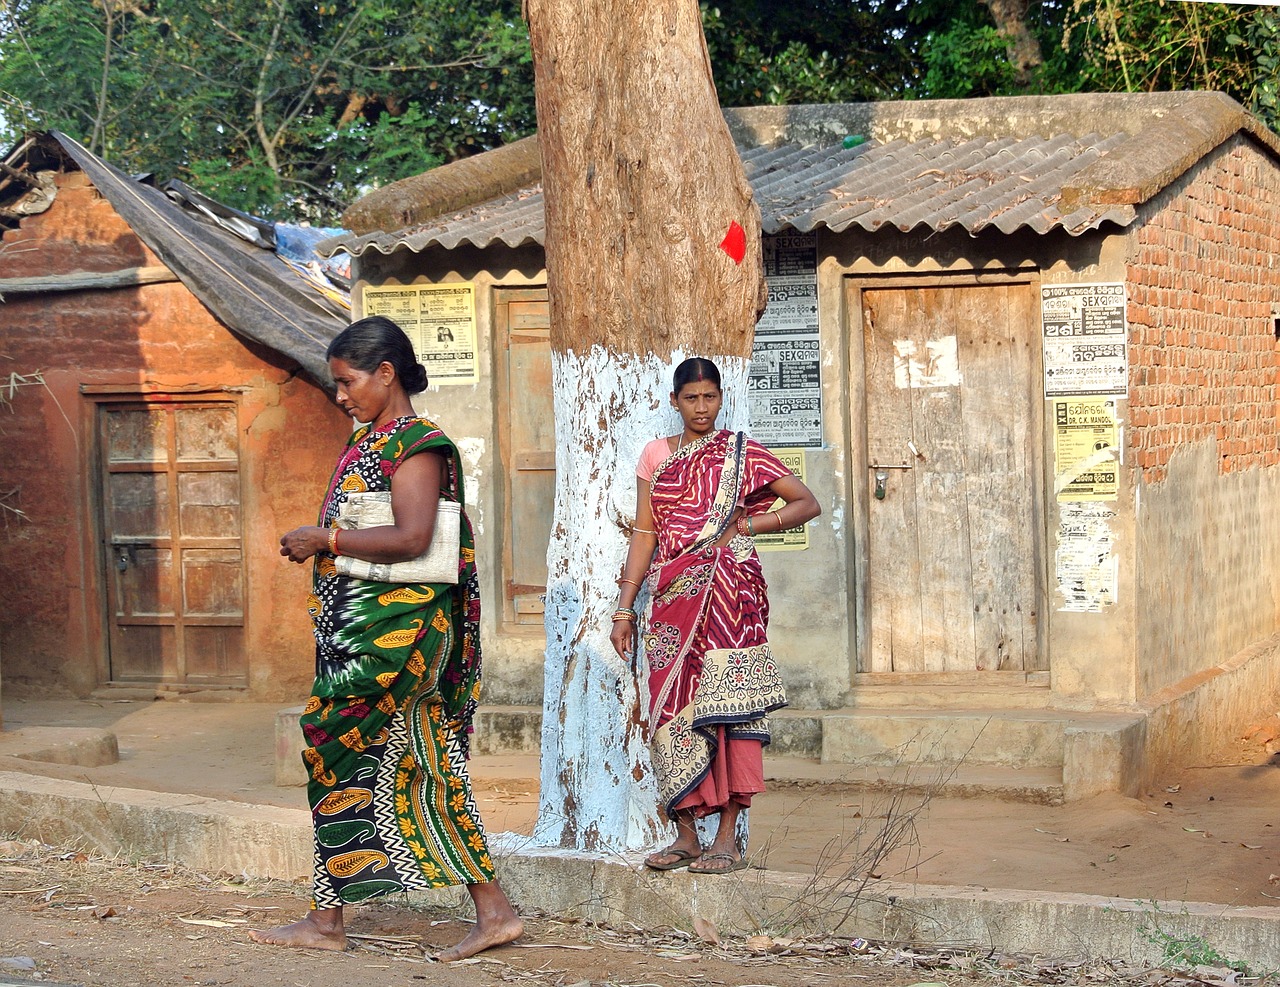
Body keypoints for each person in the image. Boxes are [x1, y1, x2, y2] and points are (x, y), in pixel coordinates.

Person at [251, 315, 522, 958]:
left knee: (355, 749)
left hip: (399, 643)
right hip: (362, 635)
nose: (340, 395)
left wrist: (326, 539)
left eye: (346, 382)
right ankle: (479, 911)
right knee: (404, 762)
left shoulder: (416, 444)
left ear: (386, 373)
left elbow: (413, 537)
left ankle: (341, 919)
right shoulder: (367, 441)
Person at [609, 358, 821, 875]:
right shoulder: (656, 456)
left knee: (730, 710)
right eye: (691, 398)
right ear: (676, 401)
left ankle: (726, 836)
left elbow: (806, 503)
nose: (701, 408)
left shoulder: (742, 454)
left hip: (730, 596)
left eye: (709, 397)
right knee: (668, 710)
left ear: (721, 398)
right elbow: (645, 533)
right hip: (671, 599)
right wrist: (624, 609)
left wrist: (750, 523)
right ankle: (686, 834)